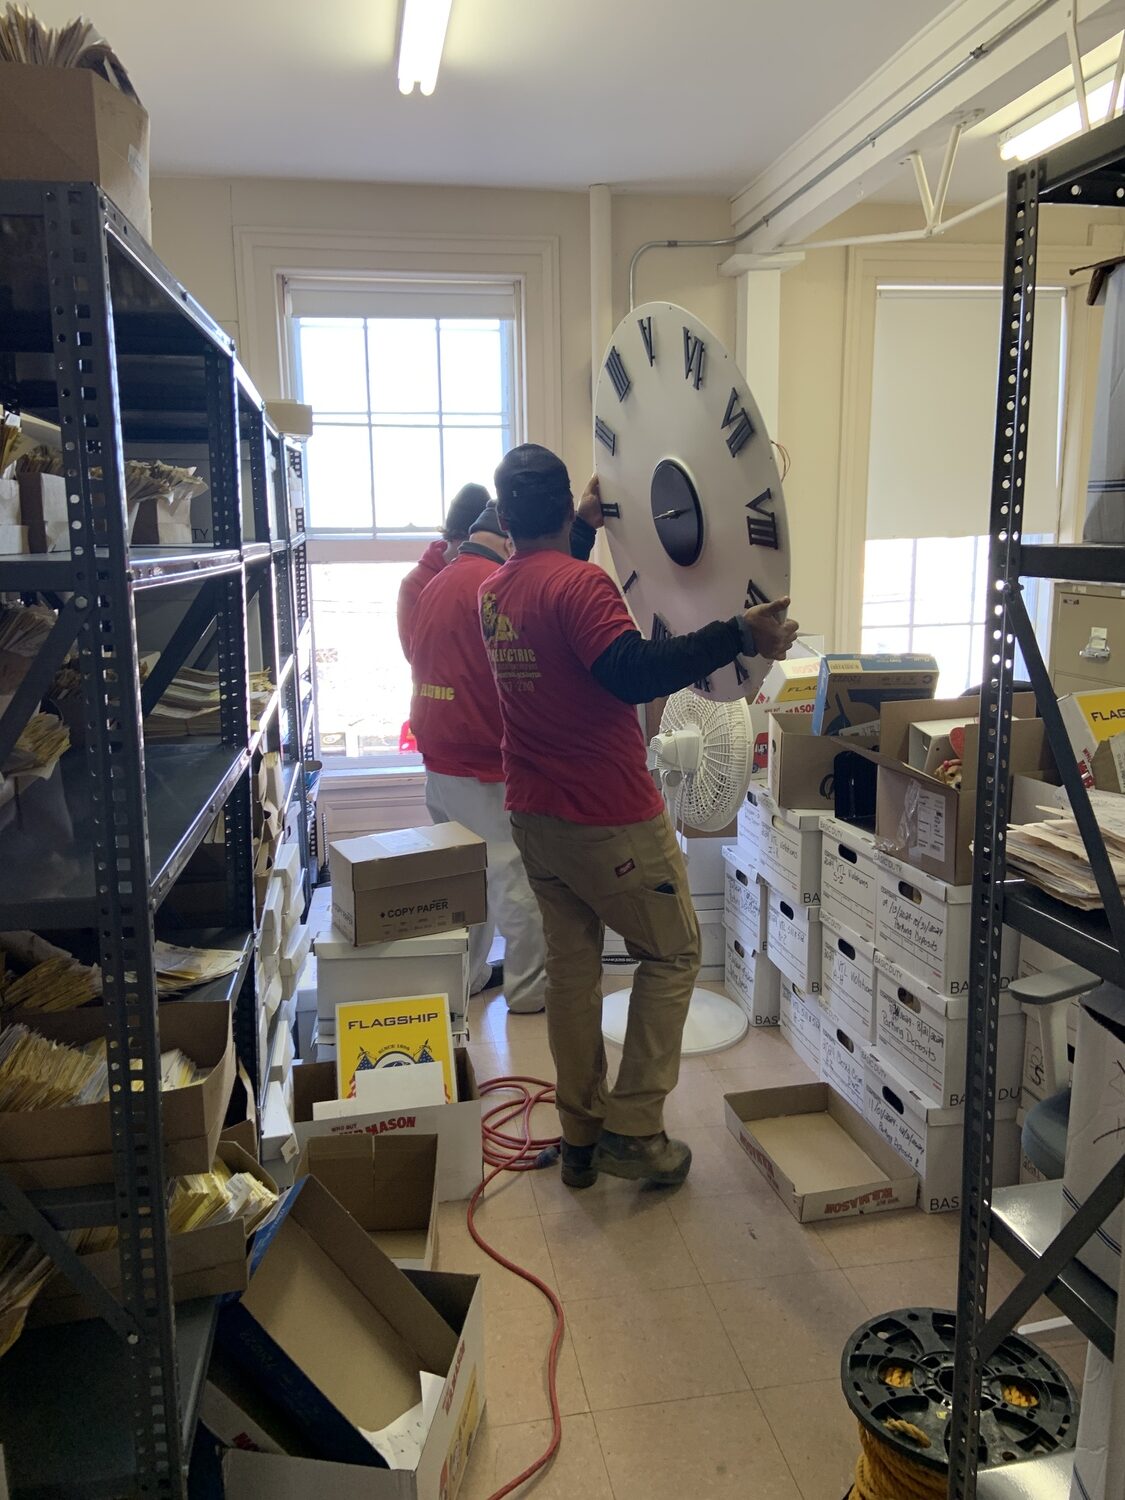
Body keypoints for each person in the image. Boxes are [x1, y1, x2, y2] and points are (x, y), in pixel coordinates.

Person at [482, 443, 798, 1189]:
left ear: (501, 517)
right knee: (675, 952)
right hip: (606, 817)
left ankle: (582, 1134)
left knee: (571, 971)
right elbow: (630, 672)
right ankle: (634, 1128)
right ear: (564, 507)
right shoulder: (581, 588)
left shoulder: (493, 592)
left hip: (534, 817)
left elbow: (554, 613)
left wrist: (579, 529)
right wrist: (738, 635)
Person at [410, 497, 601, 1011]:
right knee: (515, 883)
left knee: (466, 882)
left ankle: (469, 977)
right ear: (509, 541)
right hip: (482, 762)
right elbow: (538, 651)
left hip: (439, 758)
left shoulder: (438, 582)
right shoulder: (487, 588)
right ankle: (529, 992)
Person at [397, 483, 490, 661]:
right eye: (469, 542)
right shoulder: (416, 583)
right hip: (439, 685)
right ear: (457, 536)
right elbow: (415, 654)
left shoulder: (491, 575)